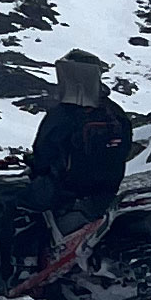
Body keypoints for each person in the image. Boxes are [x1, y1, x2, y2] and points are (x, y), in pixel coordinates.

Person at [23, 49, 135, 247]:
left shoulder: (63, 115)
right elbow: (124, 150)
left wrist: (35, 163)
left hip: (65, 192)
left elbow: (43, 156)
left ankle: (16, 267)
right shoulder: (115, 113)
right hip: (107, 192)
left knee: (7, 199)